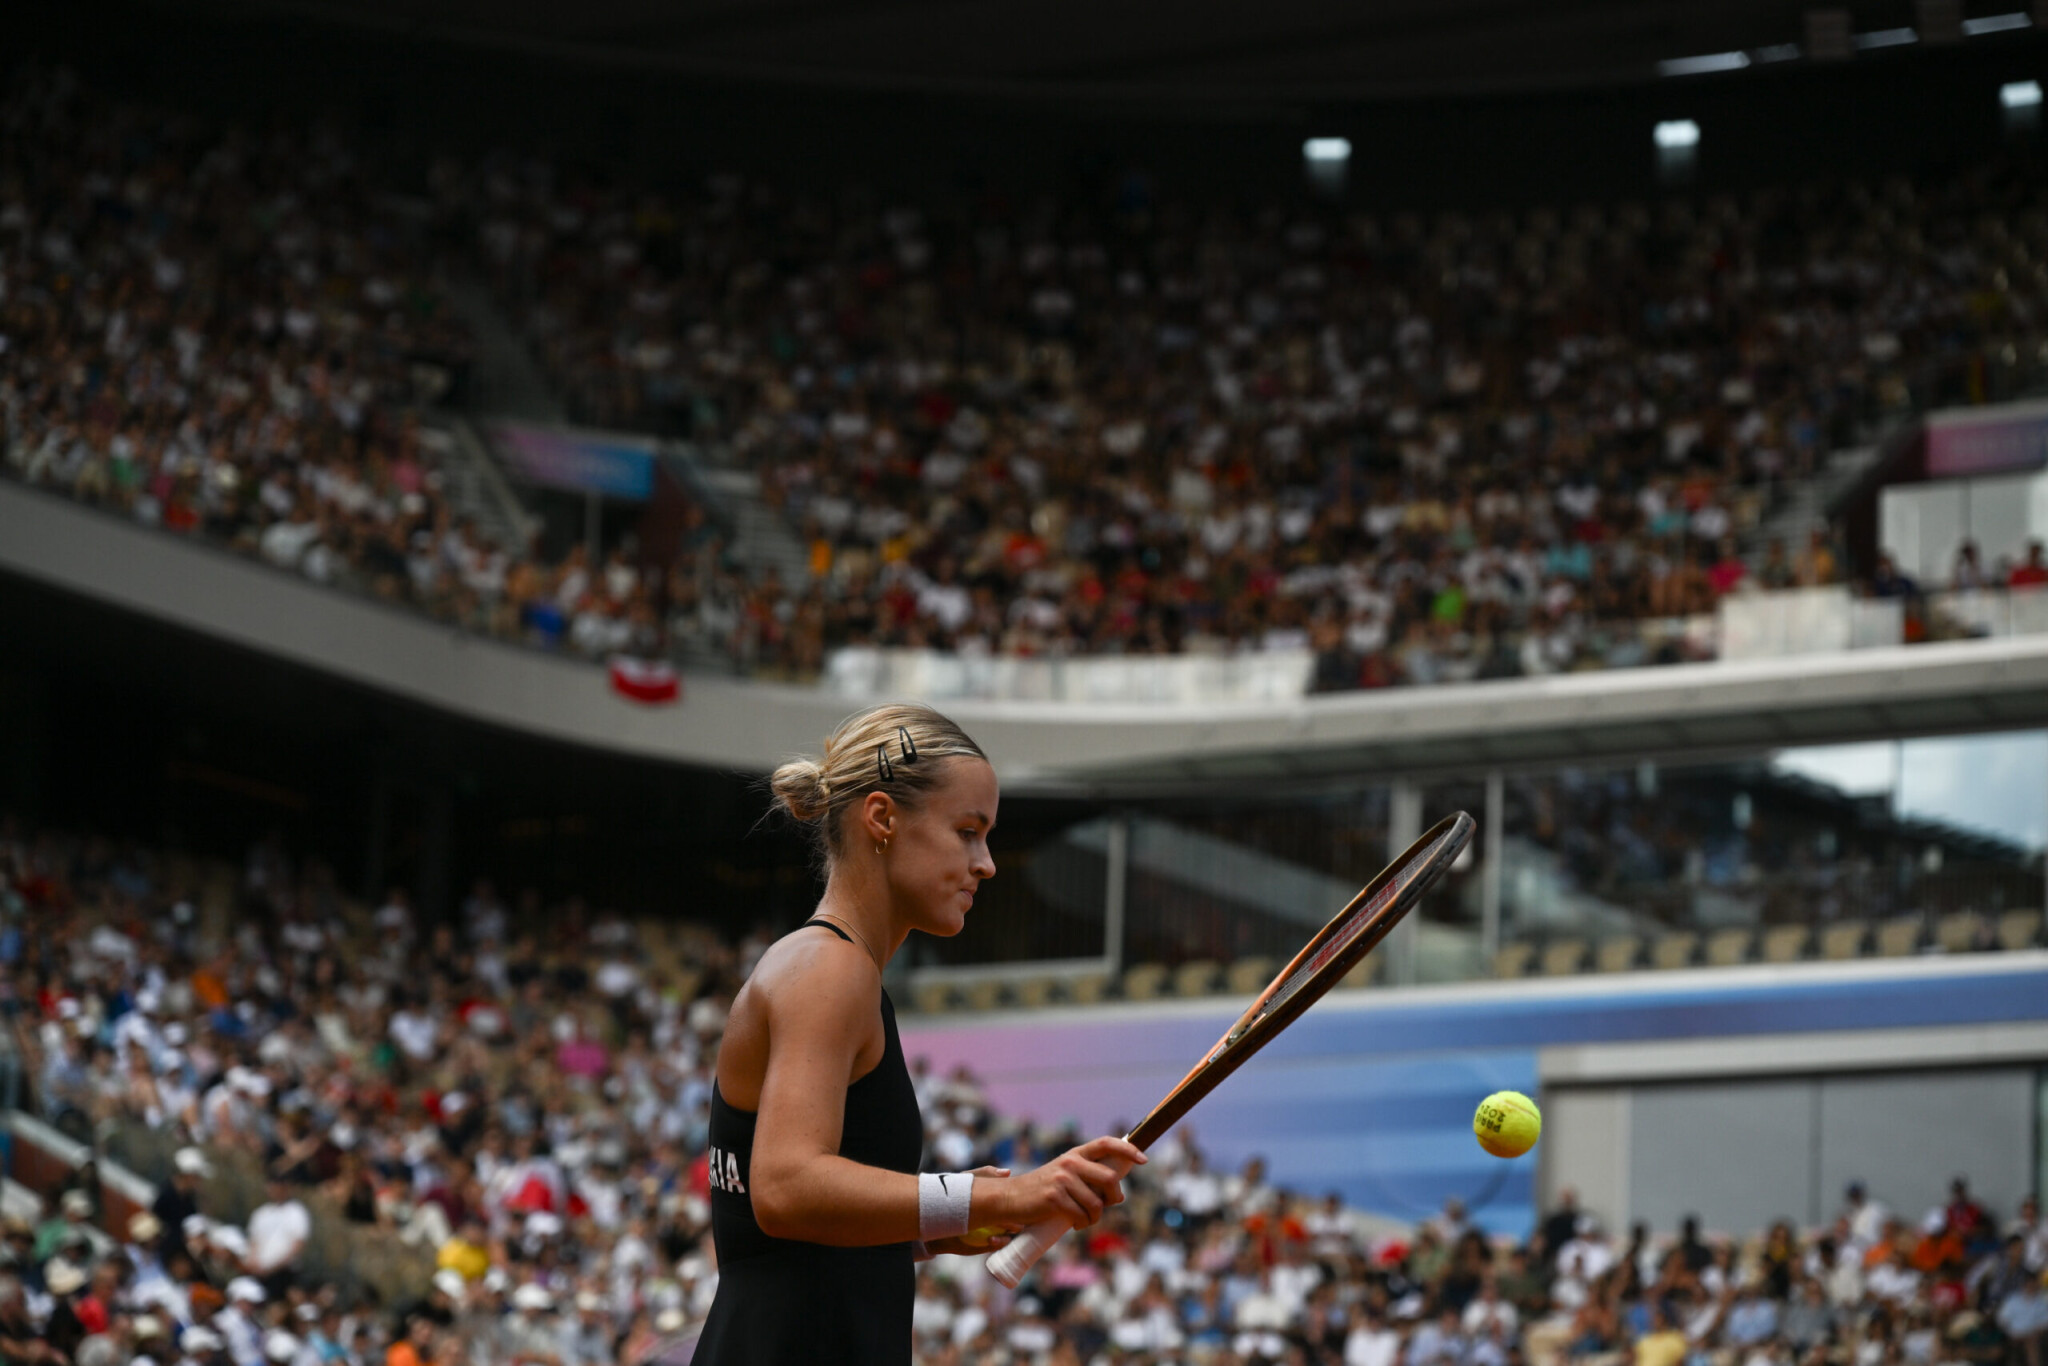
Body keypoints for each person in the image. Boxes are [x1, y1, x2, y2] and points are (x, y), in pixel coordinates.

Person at [690, 703, 1143, 1365]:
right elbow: (784, 1188)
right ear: (882, 817)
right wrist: (993, 1195)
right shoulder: (828, 968)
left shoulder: (840, 972)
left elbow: (792, 1249)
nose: (985, 864)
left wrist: (934, 1229)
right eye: (967, 831)